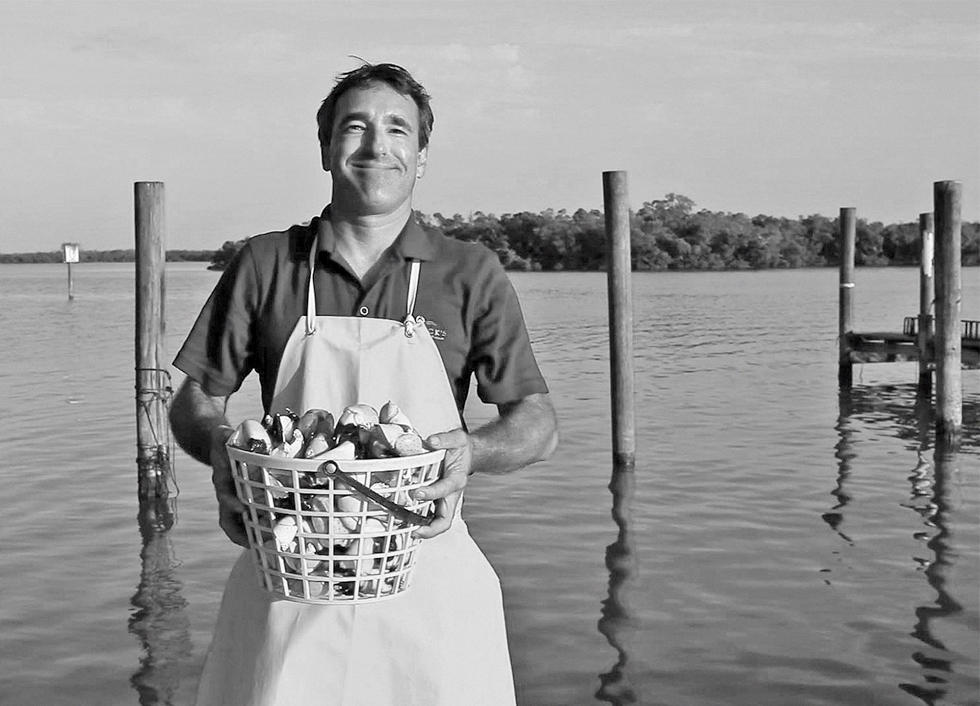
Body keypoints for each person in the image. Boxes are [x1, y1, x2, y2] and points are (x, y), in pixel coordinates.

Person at [169, 61, 559, 706]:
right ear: (325, 148)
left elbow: (538, 423)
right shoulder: (267, 262)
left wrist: (476, 451)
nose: (377, 147)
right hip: (289, 570)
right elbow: (197, 400)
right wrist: (224, 452)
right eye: (355, 127)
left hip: (428, 569)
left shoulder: (470, 272)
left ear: (422, 154)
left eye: (398, 130)